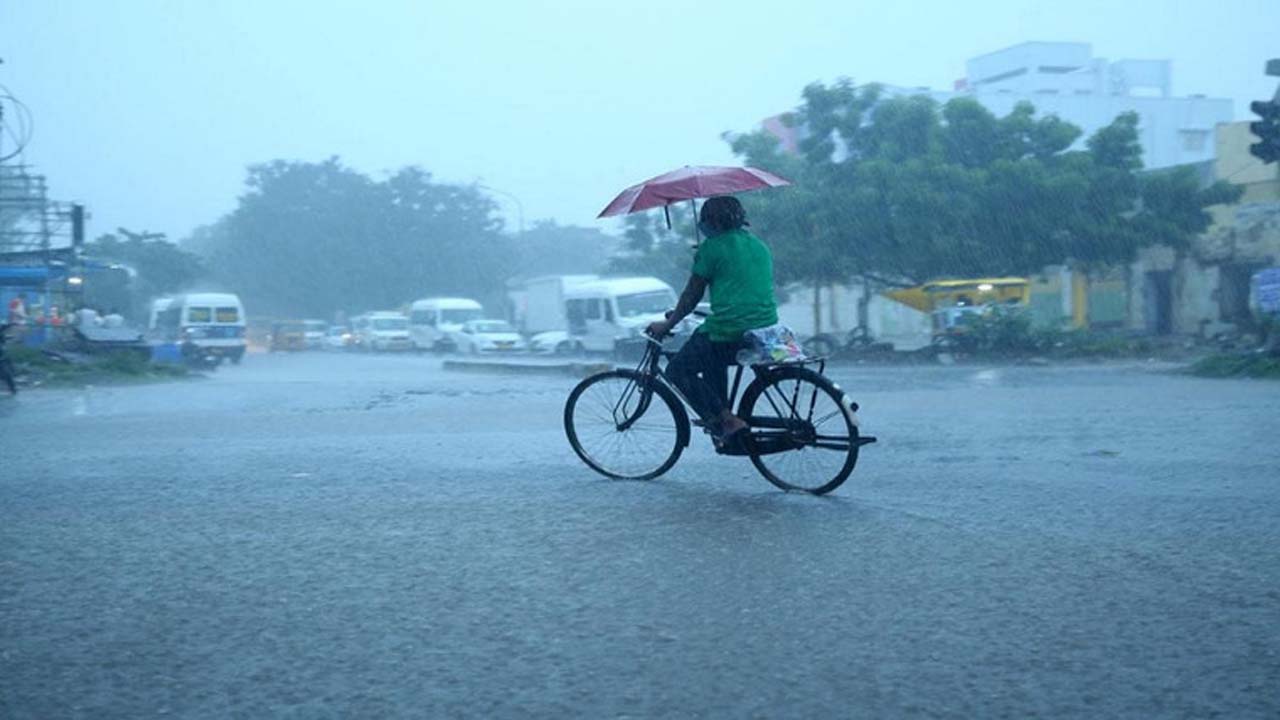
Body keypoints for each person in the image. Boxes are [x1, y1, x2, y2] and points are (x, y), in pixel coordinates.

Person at [646, 196, 778, 452]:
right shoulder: (759, 245)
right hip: (764, 327)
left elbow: (691, 296)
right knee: (709, 352)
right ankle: (724, 419)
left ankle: (727, 421)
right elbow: (741, 285)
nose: (702, 224)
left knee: (677, 370)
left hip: (731, 330)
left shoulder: (712, 249)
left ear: (712, 221)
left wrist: (668, 323)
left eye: (704, 220)